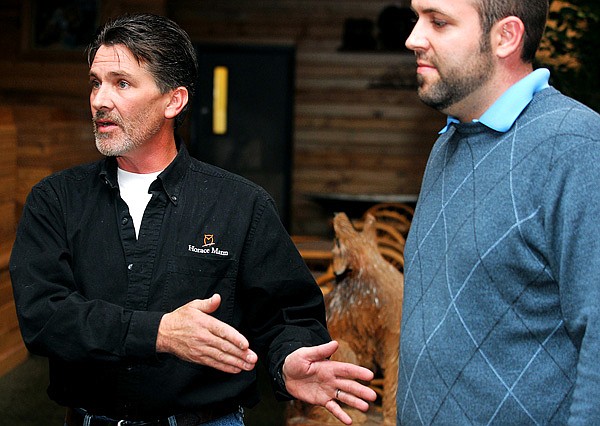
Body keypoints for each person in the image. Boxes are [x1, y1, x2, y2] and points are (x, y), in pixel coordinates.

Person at [9, 13, 377, 426]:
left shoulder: (242, 204)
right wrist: (159, 333)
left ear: (174, 101)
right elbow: (44, 317)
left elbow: (289, 314)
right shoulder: (55, 200)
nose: (99, 99)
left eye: (122, 83)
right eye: (96, 82)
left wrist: (288, 358)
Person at [397, 0, 600, 424]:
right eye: (417, 19)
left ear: (506, 36)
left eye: (438, 22)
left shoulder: (575, 146)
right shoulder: (450, 143)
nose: (413, 38)